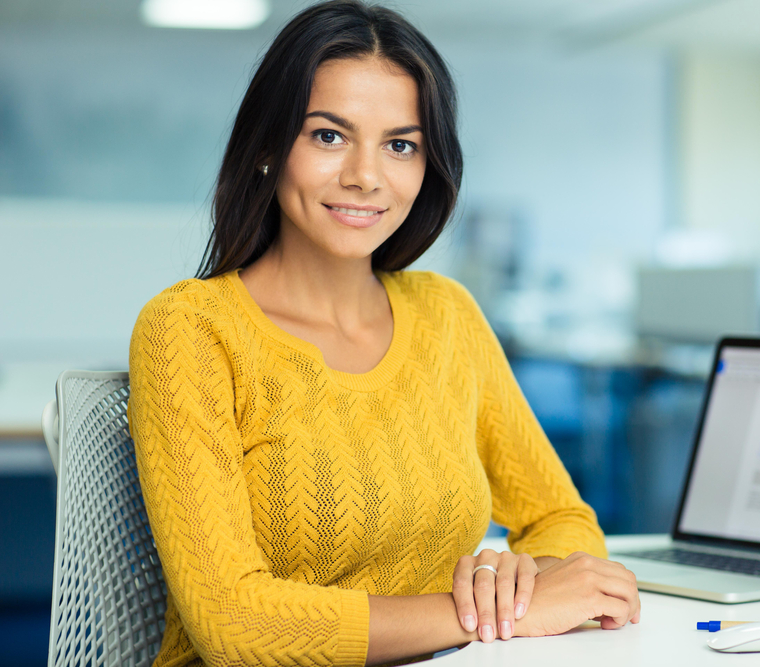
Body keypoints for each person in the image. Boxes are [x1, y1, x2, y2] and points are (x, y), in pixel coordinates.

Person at [127, 2, 640, 665]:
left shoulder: (446, 314)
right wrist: (489, 613)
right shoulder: (191, 328)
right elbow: (235, 622)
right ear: (265, 148)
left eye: (401, 144)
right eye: (328, 136)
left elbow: (565, 521)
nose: (366, 176)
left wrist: (516, 580)